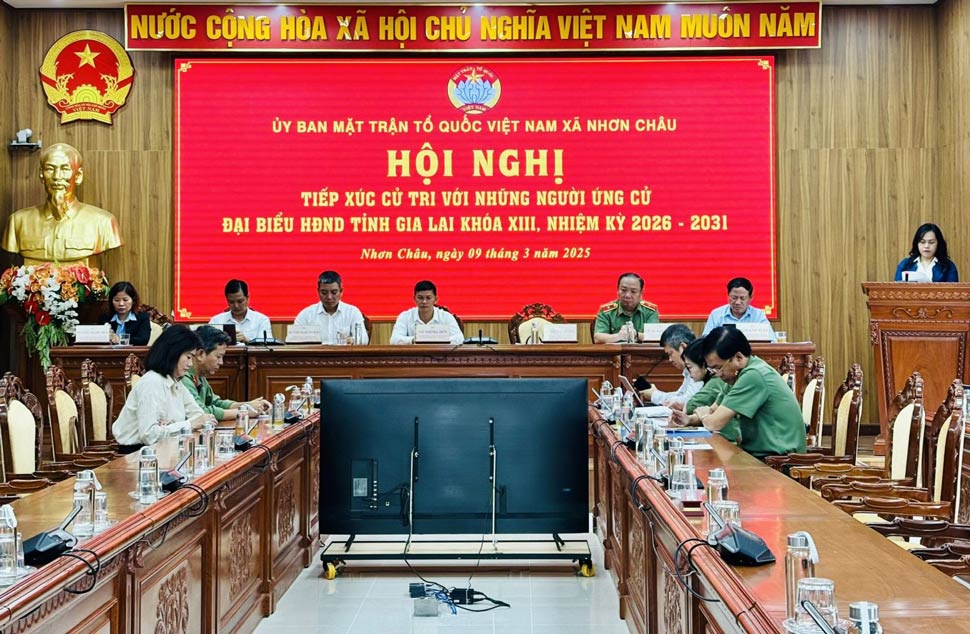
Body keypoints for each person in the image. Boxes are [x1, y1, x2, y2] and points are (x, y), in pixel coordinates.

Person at [1, 143, 121, 265]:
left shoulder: (103, 222)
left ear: (78, 176)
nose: (57, 177)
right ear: (41, 175)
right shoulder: (18, 221)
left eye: (65, 169)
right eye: (50, 169)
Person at [697, 326, 805, 459]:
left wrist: (703, 416)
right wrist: (687, 419)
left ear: (738, 357)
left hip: (779, 462)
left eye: (718, 368)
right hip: (761, 457)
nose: (716, 374)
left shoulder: (754, 375)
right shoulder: (738, 375)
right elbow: (713, 410)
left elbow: (714, 423)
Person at [111, 325, 216, 451]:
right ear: (173, 353)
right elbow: (150, 435)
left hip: (166, 449)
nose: (190, 364)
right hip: (137, 454)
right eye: (188, 357)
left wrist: (173, 426)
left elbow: (199, 416)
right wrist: (188, 425)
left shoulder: (175, 382)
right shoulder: (151, 382)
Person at [182, 326, 271, 421]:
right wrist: (244, 412)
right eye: (218, 356)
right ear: (200, 354)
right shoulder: (184, 377)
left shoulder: (199, 375)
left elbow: (215, 402)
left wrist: (246, 405)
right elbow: (201, 412)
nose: (221, 362)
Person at [668, 339, 741, 443]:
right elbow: (709, 409)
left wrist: (696, 412)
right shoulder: (715, 381)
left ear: (704, 364)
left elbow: (691, 407)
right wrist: (689, 419)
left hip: (728, 442)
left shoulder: (717, 382)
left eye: (690, 367)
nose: (689, 372)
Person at [293, 270, 369, 345]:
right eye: (324, 293)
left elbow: (363, 339)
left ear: (341, 291)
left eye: (334, 292)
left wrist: (352, 340)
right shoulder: (306, 315)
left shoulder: (352, 312)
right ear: (318, 291)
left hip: (344, 356)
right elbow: (293, 340)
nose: (329, 297)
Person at [638, 324, 703, 407]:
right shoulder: (687, 369)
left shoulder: (698, 366)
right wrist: (654, 393)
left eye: (670, 353)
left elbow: (687, 400)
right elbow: (680, 395)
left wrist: (654, 395)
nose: (670, 360)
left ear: (682, 347)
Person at [389, 280, 464, 345]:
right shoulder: (405, 316)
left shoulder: (446, 316)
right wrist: (414, 340)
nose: (424, 302)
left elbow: (460, 339)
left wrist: (437, 340)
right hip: (413, 358)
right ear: (414, 298)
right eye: (420, 298)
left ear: (436, 299)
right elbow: (394, 340)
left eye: (428, 298)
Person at [701, 277, 776, 340]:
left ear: (750, 298)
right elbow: (706, 340)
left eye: (742, 298)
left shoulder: (758, 315)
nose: (737, 302)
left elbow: (772, 340)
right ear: (728, 296)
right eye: (734, 297)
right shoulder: (716, 314)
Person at [593, 273, 659, 343]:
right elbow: (597, 338)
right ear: (617, 290)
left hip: (642, 353)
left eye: (633, 291)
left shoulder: (650, 311)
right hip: (615, 353)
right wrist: (619, 336)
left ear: (641, 292)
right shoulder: (606, 311)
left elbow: (654, 337)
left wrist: (635, 335)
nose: (627, 295)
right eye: (623, 290)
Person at [208, 279, 272, 343]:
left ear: (247, 298)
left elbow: (267, 346)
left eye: (240, 301)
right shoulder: (216, 321)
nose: (236, 306)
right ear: (227, 300)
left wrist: (248, 341)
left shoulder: (261, 320)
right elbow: (207, 344)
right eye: (231, 302)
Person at [894, 223, 959, 282]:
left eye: (931, 242)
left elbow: (953, 292)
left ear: (938, 244)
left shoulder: (948, 266)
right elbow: (896, 291)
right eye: (922, 242)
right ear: (917, 243)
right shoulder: (905, 265)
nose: (926, 246)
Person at [97, 281, 152, 345]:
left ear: (133, 300)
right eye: (116, 300)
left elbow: (143, 340)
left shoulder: (142, 317)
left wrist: (119, 339)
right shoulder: (104, 318)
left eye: (125, 300)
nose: (121, 304)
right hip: (109, 354)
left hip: (133, 354)